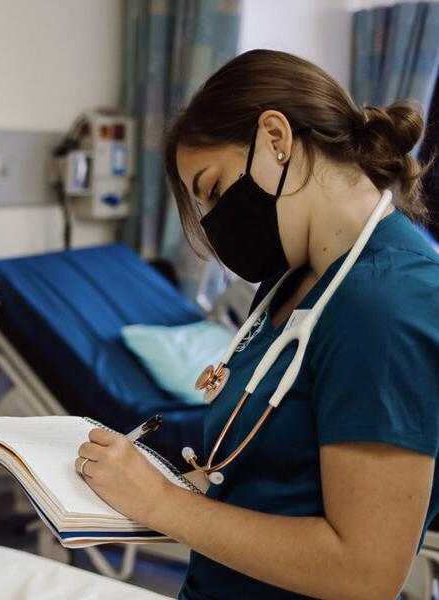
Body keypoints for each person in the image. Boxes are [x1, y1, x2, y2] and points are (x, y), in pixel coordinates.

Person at [76, 50, 438, 599]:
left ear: (276, 137)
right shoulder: (287, 281)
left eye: (215, 189)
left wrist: (162, 504)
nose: (218, 225)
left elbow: (365, 572)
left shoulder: (389, 301)